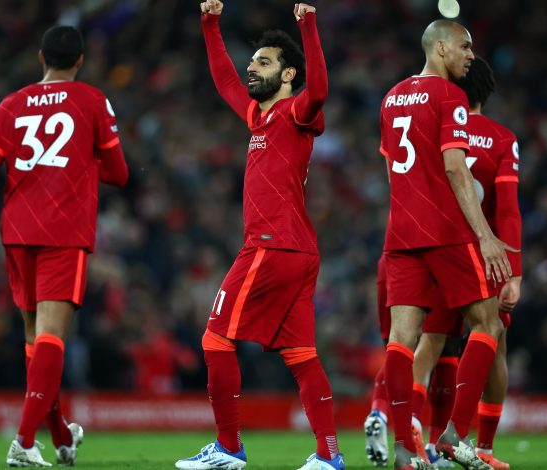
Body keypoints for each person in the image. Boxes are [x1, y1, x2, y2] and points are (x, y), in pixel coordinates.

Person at [0, 25, 128, 467]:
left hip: (17, 232)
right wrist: (81, 163)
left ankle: (60, 436)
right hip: (63, 231)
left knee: (35, 340)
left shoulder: (9, 105)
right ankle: (23, 441)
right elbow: (120, 173)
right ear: (80, 61)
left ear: (41, 58)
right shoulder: (92, 100)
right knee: (51, 337)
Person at [175, 2, 343, 470]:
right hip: (298, 250)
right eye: (252, 61)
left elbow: (320, 89)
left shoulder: (296, 112)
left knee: (215, 339)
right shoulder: (257, 117)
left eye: (263, 62)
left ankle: (228, 447)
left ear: (288, 75)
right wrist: (210, 25)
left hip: (272, 244)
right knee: (302, 355)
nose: (251, 68)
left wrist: (307, 24)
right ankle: (329, 456)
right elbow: (224, 80)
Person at [377, 20, 517, 470]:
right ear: (440, 47)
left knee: (402, 340)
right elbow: (456, 167)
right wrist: (485, 235)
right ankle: (456, 434)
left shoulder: (392, 97)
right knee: (488, 324)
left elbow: (392, 171)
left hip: (402, 233)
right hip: (445, 231)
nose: (470, 55)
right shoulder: (451, 96)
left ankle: (404, 449)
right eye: (465, 46)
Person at [409, 56, 521, 470]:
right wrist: (515, 272)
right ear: (487, 90)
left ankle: (413, 431)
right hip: (481, 254)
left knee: (430, 341)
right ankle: (481, 444)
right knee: (493, 339)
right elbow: (507, 210)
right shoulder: (502, 138)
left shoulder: (431, 126)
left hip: (433, 246)